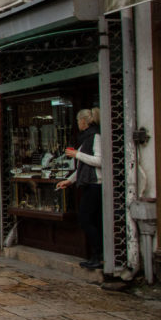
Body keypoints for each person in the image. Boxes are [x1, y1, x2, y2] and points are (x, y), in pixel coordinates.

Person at [56, 108, 102, 269]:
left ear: (84, 121)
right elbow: (82, 166)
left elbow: (99, 161)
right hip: (88, 183)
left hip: (96, 184)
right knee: (90, 220)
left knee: (86, 219)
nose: (77, 124)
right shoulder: (86, 139)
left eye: (78, 121)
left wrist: (76, 154)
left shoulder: (95, 136)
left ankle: (98, 255)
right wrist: (69, 181)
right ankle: (95, 256)